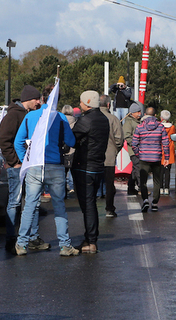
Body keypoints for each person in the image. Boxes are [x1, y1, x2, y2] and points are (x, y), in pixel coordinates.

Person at [14, 85, 80, 257]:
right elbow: (71, 141)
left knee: (29, 205)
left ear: (41, 99)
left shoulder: (30, 116)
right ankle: (65, 246)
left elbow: (18, 142)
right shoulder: (60, 117)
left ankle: (21, 244)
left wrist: (25, 160)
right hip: (55, 166)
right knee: (59, 206)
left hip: (35, 166)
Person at [0, 84, 41, 253]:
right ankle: (10, 239)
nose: (38, 102)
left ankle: (31, 238)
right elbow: (3, 141)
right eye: (36, 99)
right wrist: (15, 161)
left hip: (28, 165)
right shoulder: (14, 115)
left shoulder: (26, 114)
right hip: (17, 167)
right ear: (28, 99)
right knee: (15, 203)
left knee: (31, 202)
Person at [71, 90, 110, 253]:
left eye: (81, 102)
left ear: (86, 103)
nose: (79, 105)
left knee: (87, 205)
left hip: (84, 166)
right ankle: (90, 238)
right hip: (98, 166)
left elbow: (72, 139)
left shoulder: (86, 120)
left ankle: (90, 241)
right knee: (91, 203)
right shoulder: (103, 119)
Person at [133, 107, 170, 212]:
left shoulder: (139, 127)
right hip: (156, 157)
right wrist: (166, 157)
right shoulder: (160, 127)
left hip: (144, 157)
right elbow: (166, 143)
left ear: (145, 114)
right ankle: (154, 202)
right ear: (155, 115)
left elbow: (134, 143)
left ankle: (145, 200)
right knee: (157, 181)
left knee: (143, 181)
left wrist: (138, 154)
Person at [99, 94, 125, 218]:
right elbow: (119, 139)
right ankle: (109, 208)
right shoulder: (113, 119)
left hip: (93, 158)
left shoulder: (89, 117)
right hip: (109, 156)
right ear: (108, 105)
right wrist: (115, 150)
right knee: (109, 184)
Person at [122, 101, 143, 195]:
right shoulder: (128, 122)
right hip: (134, 150)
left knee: (135, 169)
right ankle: (141, 188)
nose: (140, 113)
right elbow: (127, 136)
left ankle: (131, 188)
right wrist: (135, 144)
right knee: (138, 168)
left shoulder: (138, 121)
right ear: (132, 113)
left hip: (139, 149)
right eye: (138, 112)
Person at [159, 110, 176, 196]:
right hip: (169, 150)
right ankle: (167, 188)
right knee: (167, 171)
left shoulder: (159, 126)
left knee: (160, 170)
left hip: (160, 149)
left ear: (161, 118)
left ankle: (161, 187)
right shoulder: (172, 127)